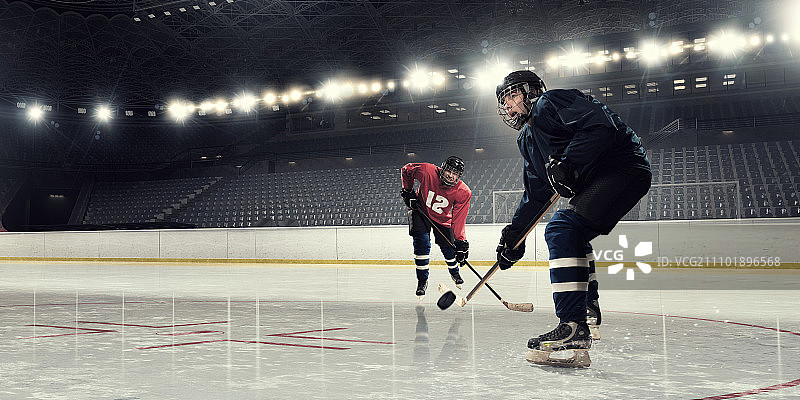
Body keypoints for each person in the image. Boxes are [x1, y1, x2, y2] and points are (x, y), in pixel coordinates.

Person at [494, 70, 652, 367]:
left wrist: (567, 164)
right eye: (505, 102)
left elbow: (601, 126)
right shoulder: (527, 139)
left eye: (513, 96)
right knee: (571, 232)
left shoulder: (552, 101)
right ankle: (587, 308)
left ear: (531, 92)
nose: (510, 106)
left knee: (560, 228)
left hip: (623, 166)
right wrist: (513, 236)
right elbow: (536, 194)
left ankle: (573, 325)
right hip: (601, 180)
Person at [401, 156, 472, 298]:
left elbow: (458, 219)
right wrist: (408, 191)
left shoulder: (463, 192)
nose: (451, 176)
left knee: (449, 248)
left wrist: (460, 241)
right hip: (420, 210)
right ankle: (422, 280)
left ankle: (455, 273)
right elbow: (406, 170)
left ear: (459, 176)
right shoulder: (427, 170)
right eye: (449, 171)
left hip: (442, 219)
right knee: (421, 243)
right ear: (443, 168)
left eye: (455, 173)